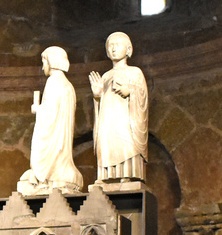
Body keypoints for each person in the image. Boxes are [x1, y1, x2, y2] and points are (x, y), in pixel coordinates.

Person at [18, 46, 83, 195]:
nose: (43, 67)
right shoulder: (68, 85)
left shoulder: (53, 81)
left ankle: (44, 177)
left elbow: (50, 112)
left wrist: (37, 109)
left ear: (51, 61)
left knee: (42, 154)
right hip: (62, 137)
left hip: (54, 135)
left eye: (44, 62)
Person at [89, 32, 148, 185]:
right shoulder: (105, 76)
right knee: (106, 141)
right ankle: (104, 175)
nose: (113, 48)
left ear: (128, 49)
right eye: (110, 46)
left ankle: (127, 174)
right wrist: (97, 95)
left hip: (125, 117)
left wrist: (131, 90)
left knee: (125, 142)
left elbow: (143, 96)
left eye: (117, 45)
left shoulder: (135, 72)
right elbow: (100, 99)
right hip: (107, 118)